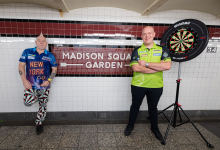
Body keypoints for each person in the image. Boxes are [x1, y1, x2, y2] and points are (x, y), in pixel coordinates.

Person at [124, 26, 171, 142]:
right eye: (144, 34)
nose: (147, 36)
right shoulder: (137, 50)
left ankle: (154, 128)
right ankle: (130, 126)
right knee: (135, 106)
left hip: (156, 86)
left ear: (154, 34)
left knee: (153, 108)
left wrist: (146, 64)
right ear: (141, 36)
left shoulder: (163, 50)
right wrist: (157, 67)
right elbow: (135, 68)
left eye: (149, 33)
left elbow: (167, 66)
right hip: (138, 85)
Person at [19, 33, 57, 134]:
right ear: (36, 42)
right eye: (39, 40)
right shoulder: (27, 52)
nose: (41, 42)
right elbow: (21, 66)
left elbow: (54, 69)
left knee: (43, 105)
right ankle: (36, 97)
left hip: (44, 87)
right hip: (30, 86)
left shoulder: (50, 55)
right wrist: (24, 80)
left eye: (43, 41)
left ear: (46, 43)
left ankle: (39, 123)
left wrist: (49, 80)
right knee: (27, 102)